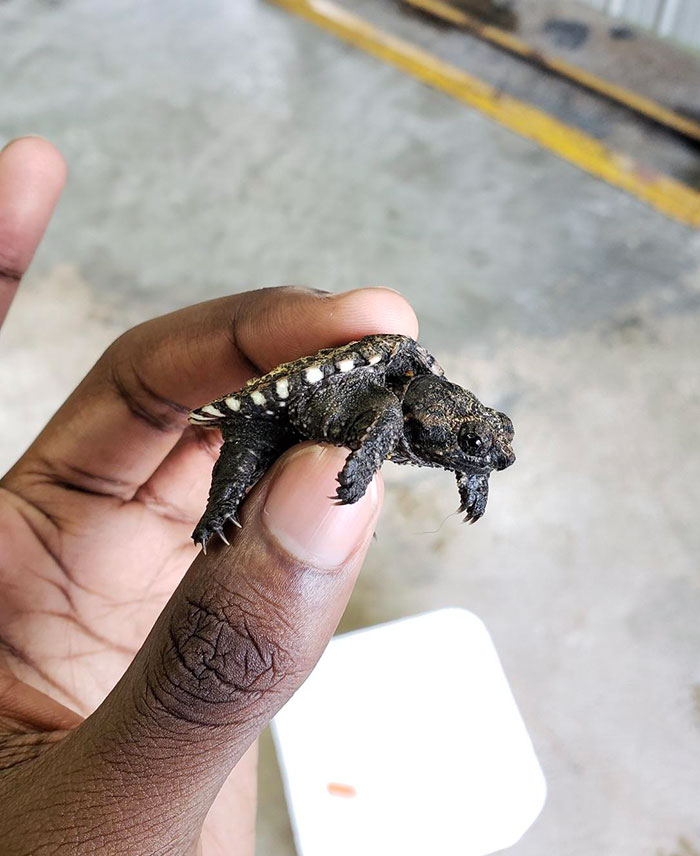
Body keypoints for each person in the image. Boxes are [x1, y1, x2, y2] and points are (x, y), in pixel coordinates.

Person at [0, 137, 418, 855]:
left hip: (294, 417)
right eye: (472, 451)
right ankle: (218, 517)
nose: (481, 462)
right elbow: (382, 417)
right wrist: (352, 477)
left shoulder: (422, 404)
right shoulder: (393, 398)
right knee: (228, 493)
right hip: (270, 414)